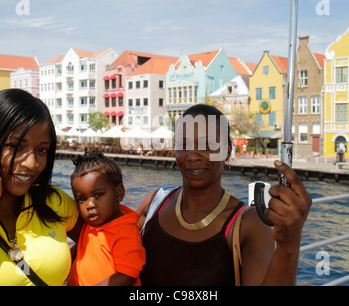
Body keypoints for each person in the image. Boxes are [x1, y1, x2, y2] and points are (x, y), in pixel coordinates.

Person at [137, 104, 312, 286]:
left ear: (228, 150)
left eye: (208, 145)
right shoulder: (155, 203)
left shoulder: (249, 225)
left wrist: (288, 246)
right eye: (184, 144)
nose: (193, 155)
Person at [0, 89, 82, 286]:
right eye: (15, 146)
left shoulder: (54, 201)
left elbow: (109, 236)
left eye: (42, 150)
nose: (31, 163)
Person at [67, 149, 145, 286]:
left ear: (119, 193)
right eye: (81, 199)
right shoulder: (91, 224)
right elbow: (81, 248)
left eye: (98, 195)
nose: (89, 205)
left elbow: (127, 275)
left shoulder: (125, 231)